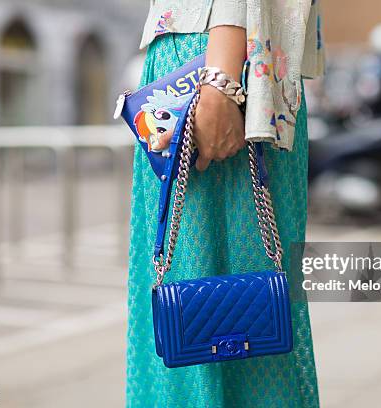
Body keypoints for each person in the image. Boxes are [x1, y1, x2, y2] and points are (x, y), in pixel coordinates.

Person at [127, 1, 324, 406]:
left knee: (206, 319)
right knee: (215, 315)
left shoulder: (220, 74)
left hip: (213, 62)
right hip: (228, 60)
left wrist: (220, 81)